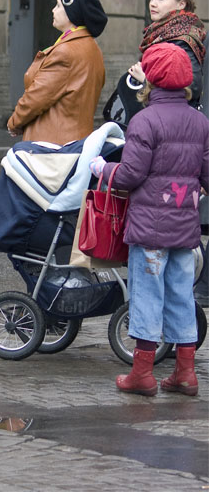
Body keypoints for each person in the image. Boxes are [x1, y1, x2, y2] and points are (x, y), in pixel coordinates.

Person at [89, 43, 208, 397]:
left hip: (150, 233)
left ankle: (142, 373)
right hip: (184, 230)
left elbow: (129, 176)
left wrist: (102, 167)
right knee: (181, 297)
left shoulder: (144, 121)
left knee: (147, 297)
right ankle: (185, 373)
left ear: (150, 82)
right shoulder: (200, 121)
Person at [7, 0, 108, 144]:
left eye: (59, 6)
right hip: (78, 143)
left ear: (72, 12)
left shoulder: (65, 53)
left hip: (51, 147)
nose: (53, 10)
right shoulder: (93, 49)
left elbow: (36, 97)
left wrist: (14, 123)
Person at [127, 0, 205, 109]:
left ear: (181, 4)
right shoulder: (161, 32)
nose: (153, 4)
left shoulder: (182, 38)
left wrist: (146, 80)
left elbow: (192, 88)